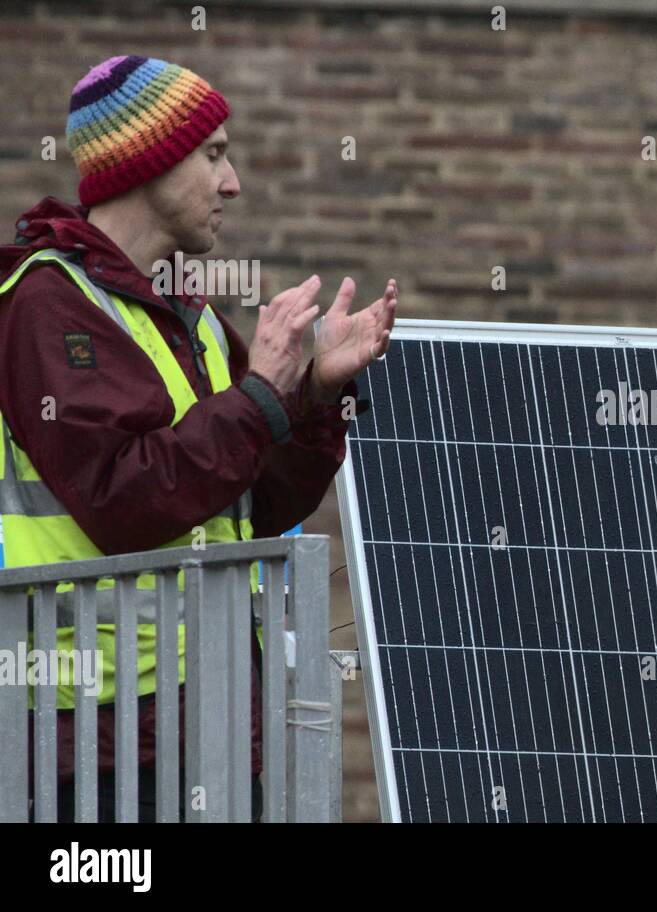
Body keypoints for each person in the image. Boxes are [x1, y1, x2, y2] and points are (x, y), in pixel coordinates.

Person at [0, 55, 397, 821]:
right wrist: (258, 395)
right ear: (147, 163)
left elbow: (261, 499)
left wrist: (312, 391)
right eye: (212, 153)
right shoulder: (47, 305)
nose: (233, 181)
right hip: (91, 750)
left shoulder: (190, 316)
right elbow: (124, 501)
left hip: (208, 725)